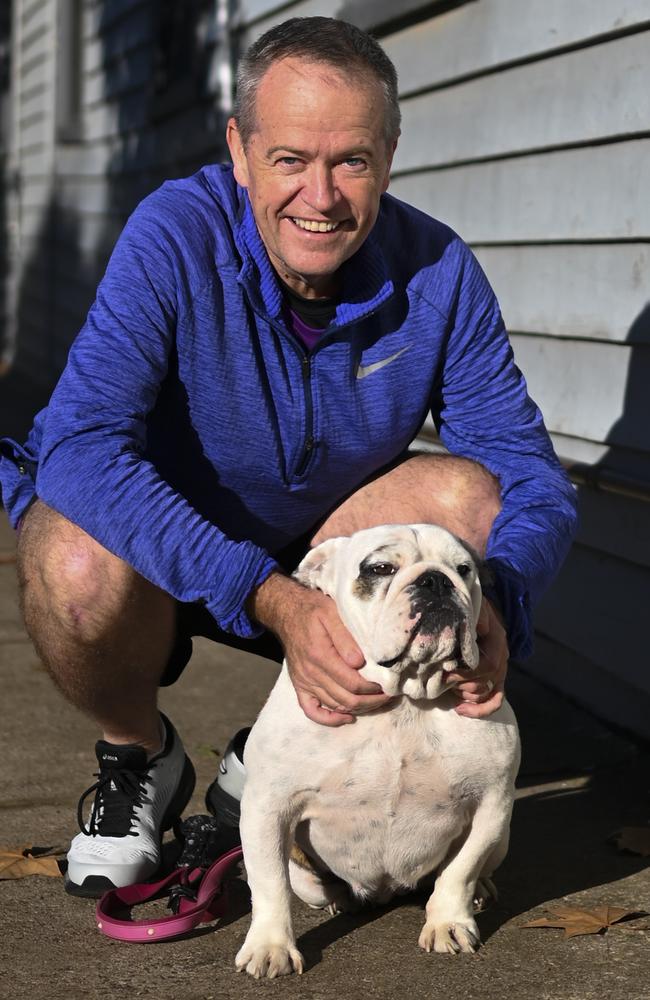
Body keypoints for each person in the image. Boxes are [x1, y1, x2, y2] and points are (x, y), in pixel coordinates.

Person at [0, 17, 577, 896]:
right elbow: (79, 450)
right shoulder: (174, 236)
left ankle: (295, 746)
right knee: (70, 550)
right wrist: (270, 597)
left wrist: (502, 598)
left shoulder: (438, 269)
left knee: (471, 498)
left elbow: (528, 468)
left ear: (389, 154)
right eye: (289, 159)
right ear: (240, 151)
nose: (322, 195)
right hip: (163, 554)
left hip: (327, 552)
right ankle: (138, 756)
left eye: (351, 160)